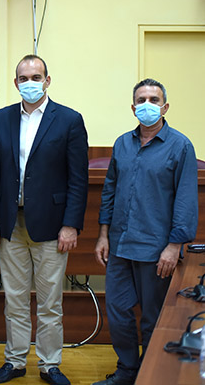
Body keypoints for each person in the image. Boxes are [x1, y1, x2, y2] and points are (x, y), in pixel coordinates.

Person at [0, 55, 89, 385]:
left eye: (36, 77)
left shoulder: (69, 120)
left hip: (52, 226)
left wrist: (71, 224)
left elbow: (78, 179)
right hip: (10, 224)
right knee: (14, 300)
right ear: (16, 83)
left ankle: (49, 364)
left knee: (49, 302)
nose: (30, 83)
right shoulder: (1, 119)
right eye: (24, 78)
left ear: (47, 80)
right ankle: (14, 361)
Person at [93, 78, 198, 385]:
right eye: (141, 100)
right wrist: (103, 235)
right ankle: (127, 371)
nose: (147, 105)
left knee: (153, 318)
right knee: (118, 312)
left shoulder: (181, 146)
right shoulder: (122, 144)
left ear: (165, 107)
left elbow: (186, 200)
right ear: (133, 107)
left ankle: (150, 375)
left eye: (154, 100)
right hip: (120, 245)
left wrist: (174, 246)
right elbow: (109, 191)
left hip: (156, 249)